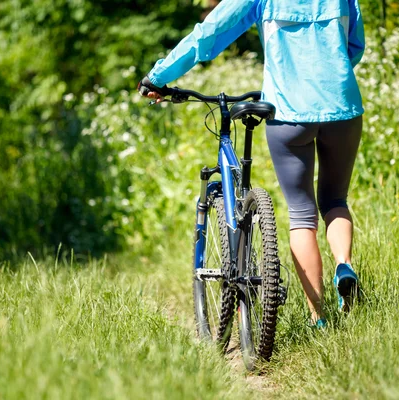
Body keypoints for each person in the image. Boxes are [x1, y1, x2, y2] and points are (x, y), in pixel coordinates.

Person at [138, 0, 365, 328]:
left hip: (289, 116)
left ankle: (320, 318)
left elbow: (209, 33)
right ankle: (343, 265)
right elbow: (355, 46)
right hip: (343, 108)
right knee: (334, 201)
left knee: (302, 215)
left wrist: (158, 76)